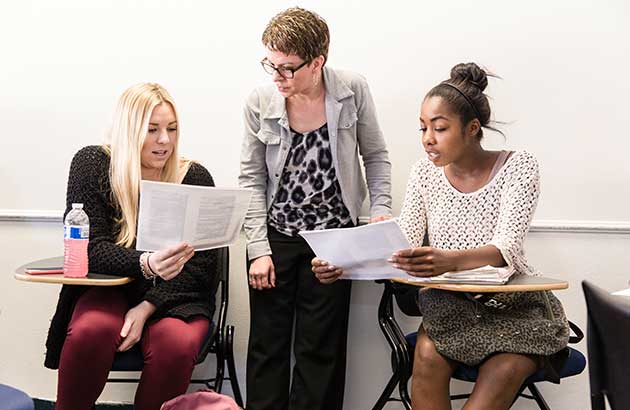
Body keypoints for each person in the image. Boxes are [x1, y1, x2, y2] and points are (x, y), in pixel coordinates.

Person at [313, 63, 570, 410]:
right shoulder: (424, 173)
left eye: (440, 128)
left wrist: (446, 259)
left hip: (516, 308)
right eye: (423, 128)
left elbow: (506, 246)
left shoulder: (519, 165)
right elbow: (402, 242)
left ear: (472, 128)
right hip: (450, 309)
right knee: (427, 357)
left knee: (504, 368)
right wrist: (340, 264)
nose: (427, 140)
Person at [239, 7, 392, 410]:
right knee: (267, 348)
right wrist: (258, 249)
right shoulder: (259, 100)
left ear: (317, 62)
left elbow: (375, 156)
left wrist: (379, 211)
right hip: (276, 237)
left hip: (333, 240)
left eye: (287, 68)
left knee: (320, 350)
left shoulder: (351, 90)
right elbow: (251, 178)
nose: (277, 76)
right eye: (271, 65)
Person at [45, 83, 218, 410]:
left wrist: (147, 306)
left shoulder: (193, 176)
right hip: (109, 288)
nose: (164, 140)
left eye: (172, 129)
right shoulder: (93, 164)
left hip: (177, 294)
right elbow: (90, 249)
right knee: (90, 331)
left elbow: (202, 266)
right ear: (128, 130)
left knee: (176, 345)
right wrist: (146, 263)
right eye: (152, 130)